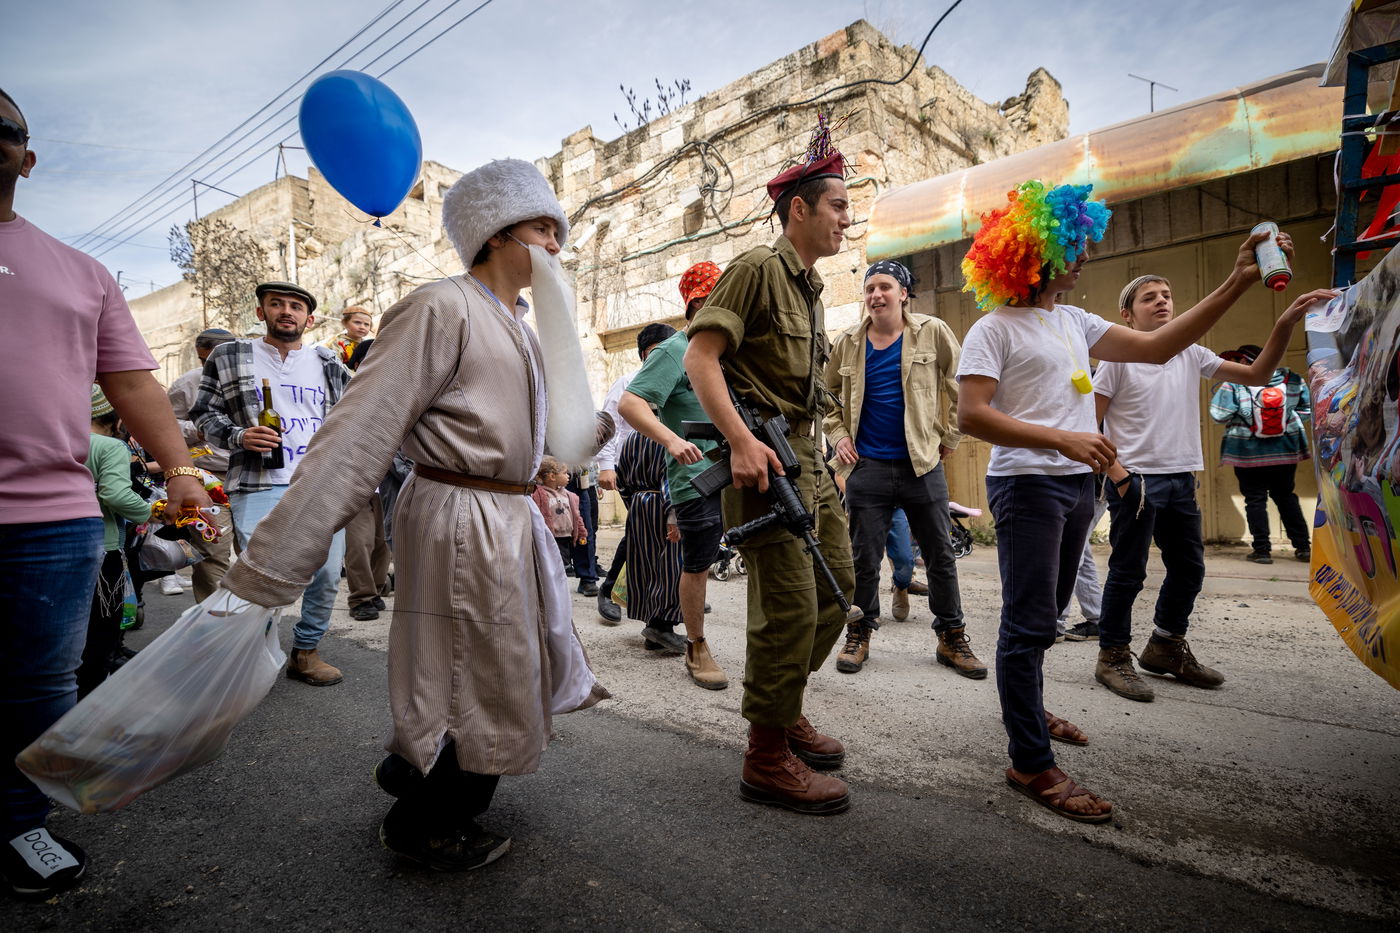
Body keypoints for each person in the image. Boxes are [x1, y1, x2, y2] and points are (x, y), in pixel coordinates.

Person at [218, 158, 609, 871]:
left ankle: (414, 767)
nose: (557, 244)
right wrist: (277, 557)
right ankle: (427, 819)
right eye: (542, 228)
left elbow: (530, 433)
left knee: (489, 660)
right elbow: (361, 430)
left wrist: (589, 432)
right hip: (461, 517)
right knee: (471, 667)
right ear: (493, 234)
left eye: (559, 229)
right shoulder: (441, 307)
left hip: (504, 515)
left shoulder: (521, 326)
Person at [956, 178, 1290, 824]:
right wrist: (1065, 439)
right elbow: (973, 415)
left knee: (1049, 613)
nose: (1084, 257)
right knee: (1028, 622)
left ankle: (1027, 705)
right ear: (1035, 254)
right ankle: (1030, 758)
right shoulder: (992, 330)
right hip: (1027, 484)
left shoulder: (1073, 321)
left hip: (1076, 482)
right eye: (1074, 246)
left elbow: (1158, 347)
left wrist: (1238, 282)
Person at [0, 86, 211, 899]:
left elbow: (132, 384)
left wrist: (182, 469)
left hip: (51, 518)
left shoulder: (81, 272)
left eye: (4, 126)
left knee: (40, 682)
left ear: (28, 155)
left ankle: (19, 824)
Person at [684, 125, 857, 815]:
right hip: (762, 463)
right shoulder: (757, 269)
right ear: (800, 210)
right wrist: (738, 441)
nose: (847, 218)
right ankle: (765, 754)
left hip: (807, 457)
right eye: (838, 206)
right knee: (786, 603)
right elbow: (701, 359)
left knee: (838, 584)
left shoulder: (811, 289)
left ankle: (781, 711)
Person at [1095, 276, 1336, 701]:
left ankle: (1166, 646)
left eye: (1167, 295)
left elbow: (1259, 374)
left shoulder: (1190, 352)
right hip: (1138, 482)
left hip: (1181, 477)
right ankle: (1113, 656)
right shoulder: (1118, 360)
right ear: (1127, 315)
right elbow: (1089, 422)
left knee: (1189, 568)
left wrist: (1285, 322)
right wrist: (1120, 477)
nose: (1162, 302)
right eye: (1149, 298)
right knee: (1128, 572)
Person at [824, 259, 984, 679]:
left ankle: (952, 636)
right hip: (866, 467)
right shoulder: (848, 342)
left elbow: (962, 383)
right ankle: (859, 633)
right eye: (870, 288)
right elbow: (826, 396)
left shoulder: (931, 332)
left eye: (885, 287)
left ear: (903, 293)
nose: (876, 295)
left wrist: (949, 437)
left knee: (939, 555)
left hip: (921, 465)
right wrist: (837, 432)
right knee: (863, 559)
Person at [191, 280, 351, 685]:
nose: (286, 311)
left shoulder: (330, 362)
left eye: (296, 307)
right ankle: (257, 653)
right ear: (261, 312)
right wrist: (239, 436)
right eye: (276, 304)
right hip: (259, 481)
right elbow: (204, 414)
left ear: (309, 319)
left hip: (320, 484)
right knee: (259, 576)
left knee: (328, 574)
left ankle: (306, 651)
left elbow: (359, 413)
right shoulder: (231, 356)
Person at [617, 261, 729, 689]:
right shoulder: (673, 350)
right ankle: (696, 645)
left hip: (739, 469)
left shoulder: (729, 352)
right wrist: (670, 441)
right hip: (696, 477)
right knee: (698, 563)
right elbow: (631, 403)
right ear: (699, 303)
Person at [76, 388, 154, 699]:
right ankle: (90, 702)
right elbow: (115, 495)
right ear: (114, 417)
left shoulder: (57, 442)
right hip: (103, 545)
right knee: (101, 629)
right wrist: (153, 511)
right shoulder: (109, 446)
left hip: (56, 542)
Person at [1209, 344, 1315, 564]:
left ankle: (1262, 550)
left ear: (1248, 362)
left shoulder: (1235, 383)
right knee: (1286, 496)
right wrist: (1285, 424)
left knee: (1254, 499)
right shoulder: (1292, 380)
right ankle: (1303, 547)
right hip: (1285, 450)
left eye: (1240, 361)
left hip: (1246, 453)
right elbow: (1306, 410)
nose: (1236, 365)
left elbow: (1219, 415)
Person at [167, 328, 238, 599]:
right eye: (203, 361)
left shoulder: (256, 378)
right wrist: (197, 430)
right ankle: (213, 622)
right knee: (212, 552)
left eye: (217, 361)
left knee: (258, 552)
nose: (210, 368)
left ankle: (254, 624)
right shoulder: (187, 383)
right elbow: (166, 426)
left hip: (254, 477)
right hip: (207, 479)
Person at [341, 338, 393, 621]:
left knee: (382, 542)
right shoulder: (345, 395)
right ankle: (360, 598)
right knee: (359, 543)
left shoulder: (393, 396)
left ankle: (375, 589)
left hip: (386, 482)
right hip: (354, 482)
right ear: (359, 365)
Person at [594, 367, 639, 623]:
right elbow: (609, 424)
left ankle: (674, 593)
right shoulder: (627, 382)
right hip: (631, 467)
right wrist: (606, 465)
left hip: (668, 466)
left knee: (674, 530)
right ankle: (609, 590)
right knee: (638, 528)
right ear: (645, 354)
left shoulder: (680, 378)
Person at [532, 455, 587, 568]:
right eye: (565, 473)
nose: (568, 476)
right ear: (552, 476)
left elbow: (577, 517)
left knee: (563, 567)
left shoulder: (569, 496)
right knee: (553, 566)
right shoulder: (540, 495)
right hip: (551, 538)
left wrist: (582, 533)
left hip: (566, 537)